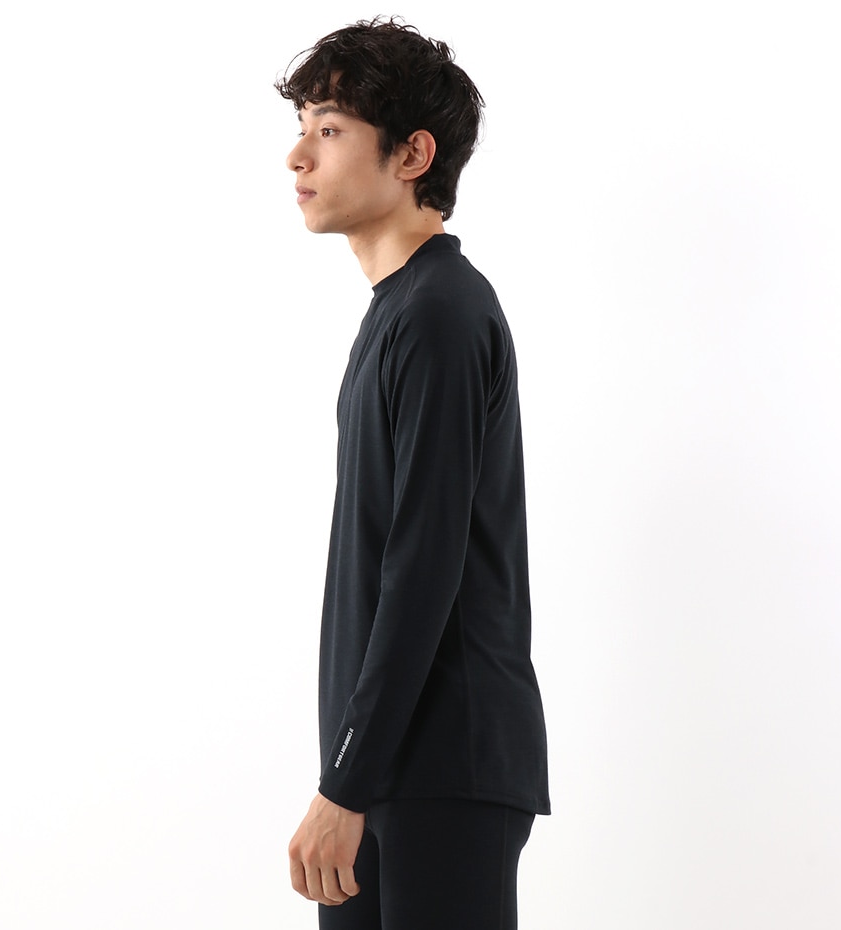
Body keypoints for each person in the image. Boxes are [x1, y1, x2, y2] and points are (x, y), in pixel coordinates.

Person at [276, 17, 550, 930]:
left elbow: (424, 566)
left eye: (328, 130)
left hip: (439, 767)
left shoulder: (440, 314)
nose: (297, 156)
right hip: (389, 767)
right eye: (302, 129)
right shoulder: (400, 313)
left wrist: (346, 781)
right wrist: (350, 775)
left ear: (412, 154)